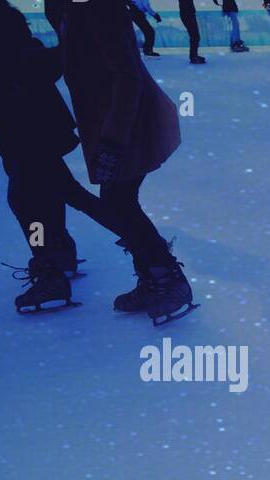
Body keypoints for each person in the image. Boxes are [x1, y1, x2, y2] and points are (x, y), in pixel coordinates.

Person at [51, 0, 195, 324]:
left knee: (119, 203)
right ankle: (154, 277)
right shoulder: (74, 7)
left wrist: (113, 142)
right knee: (120, 202)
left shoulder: (100, 6)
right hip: (109, 122)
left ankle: (169, 279)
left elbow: (127, 75)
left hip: (125, 123)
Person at [0, 0, 127, 312]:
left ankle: (51, 270)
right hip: (26, 138)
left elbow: (42, 64)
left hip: (25, 139)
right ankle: (135, 243)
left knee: (26, 202)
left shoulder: (6, 43)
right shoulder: (12, 36)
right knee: (64, 195)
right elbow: (46, 63)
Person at [178, 0, 205, 64]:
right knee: (195, 36)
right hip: (188, 15)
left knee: (195, 36)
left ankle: (194, 55)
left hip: (189, 14)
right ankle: (193, 56)